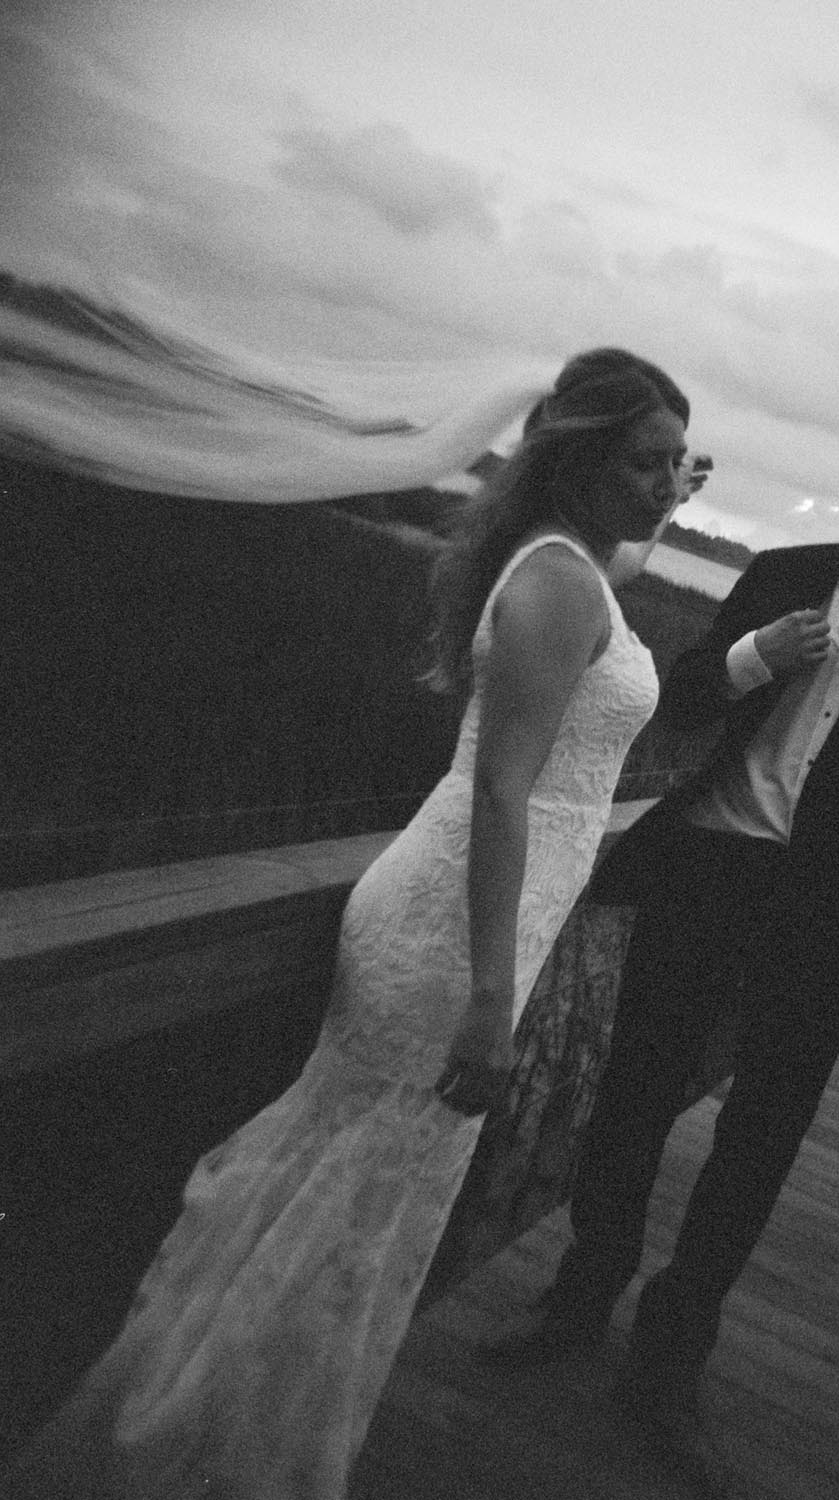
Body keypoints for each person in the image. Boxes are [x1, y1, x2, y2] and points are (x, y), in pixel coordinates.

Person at [4, 347, 696, 1499]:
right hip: (453, 941)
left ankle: (225, 1438)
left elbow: (572, 704)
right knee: (345, 1218)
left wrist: (737, 633)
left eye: (681, 464)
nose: (668, 485)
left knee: (344, 1211)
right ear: (577, 459)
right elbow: (503, 791)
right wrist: (490, 996)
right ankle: (201, 1453)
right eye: (646, 463)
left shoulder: (572, 562)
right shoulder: (563, 585)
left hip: (473, 921)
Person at [485, 382, 839, 1459]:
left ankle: (669, 1362)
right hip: (707, 866)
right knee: (632, 1098)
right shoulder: (779, 574)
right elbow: (681, 703)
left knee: (758, 1143)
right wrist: (755, 654)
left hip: (822, 912)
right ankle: (579, 1299)